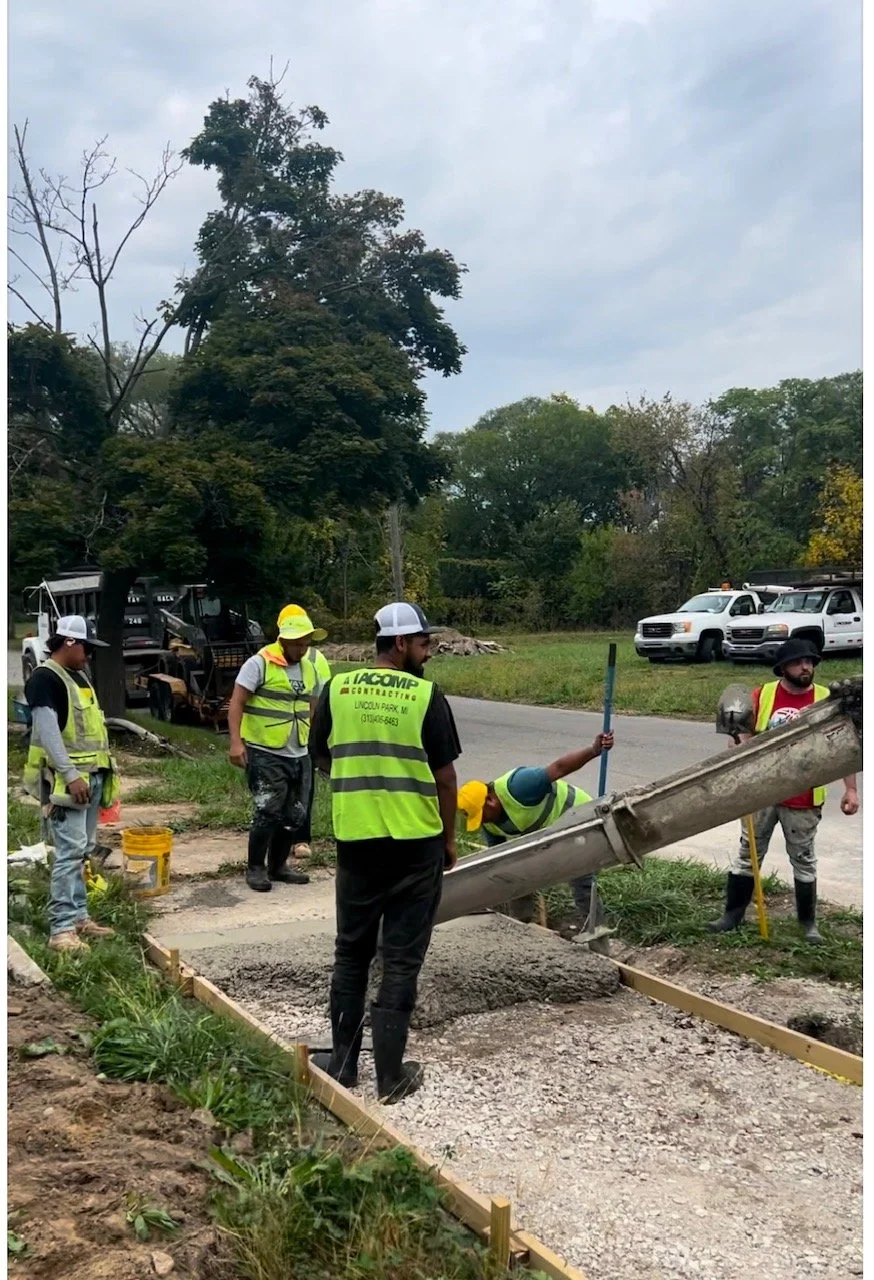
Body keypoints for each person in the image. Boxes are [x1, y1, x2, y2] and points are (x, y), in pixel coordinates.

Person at [309, 601, 461, 1103]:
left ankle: (344, 1064)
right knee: (400, 958)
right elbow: (444, 776)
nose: (429, 652)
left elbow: (320, 754)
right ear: (400, 644)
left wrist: (359, 782)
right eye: (423, 644)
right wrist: (448, 839)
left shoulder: (337, 689)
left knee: (351, 952)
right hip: (415, 845)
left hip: (357, 841)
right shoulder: (424, 696)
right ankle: (391, 1077)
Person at [708, 637, 859, 943]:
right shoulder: (762, 695)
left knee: (803, 859)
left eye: (810, 662)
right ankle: (732, 916)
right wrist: (738, 742)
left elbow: (843, 746)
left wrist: (851, 790)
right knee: (748, 855)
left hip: (804, 795)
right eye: (799, 662)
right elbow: (741, 739)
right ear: (783, 667)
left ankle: (807, 923)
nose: (806, 667)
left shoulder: (826, 697)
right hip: (761, 791)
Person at [22, 616, 121, 953]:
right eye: (86, 648)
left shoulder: (76, 676)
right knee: (68, 853)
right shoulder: (45, 679)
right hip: (67, 782)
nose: (89, 656)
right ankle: (61, 930)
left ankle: (79, 917)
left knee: (80, 850)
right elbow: (48, 732)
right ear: (68, 642)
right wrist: (70, 774)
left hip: (89, 776)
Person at [456, 732, 614, 929]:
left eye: (481, 815)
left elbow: (559, 768)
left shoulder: (519, 786)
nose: (482, 821)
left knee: (579, 876)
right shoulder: (489, 823)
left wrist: (594, 750)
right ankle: (522, 924)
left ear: (490, 799)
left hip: (579, 816)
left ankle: (595, 929)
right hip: (550, 830)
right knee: (514, 868)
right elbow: (501, 860)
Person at [227, 608, 329, 892]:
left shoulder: (309, 667)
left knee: (295, 813)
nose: (303, 647)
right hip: (265, 750)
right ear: (283, 639)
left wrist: (316, 746)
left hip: (298, 750)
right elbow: (236, 703)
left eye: (306, 642)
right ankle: (256, 868)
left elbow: (313, 708)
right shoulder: (259, 663)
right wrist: (236, 743)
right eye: (298, 642)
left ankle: (279, 865)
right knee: (268, 809)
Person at [276, 603, 332, 860]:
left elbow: (322, 698)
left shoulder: (314, 658)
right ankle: (286, 839)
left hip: (303, 734)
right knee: (285, 788)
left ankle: (300, 838)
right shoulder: (267, 657)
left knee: (302, 788)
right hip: (276, 736)